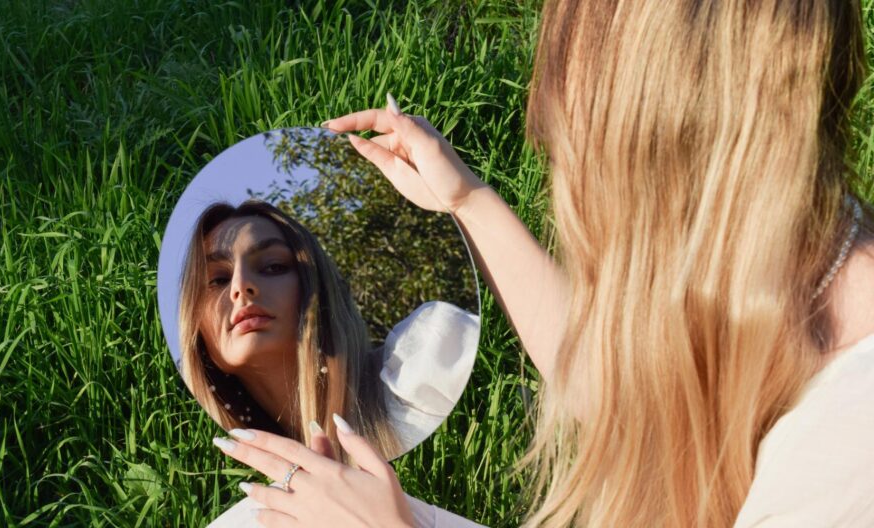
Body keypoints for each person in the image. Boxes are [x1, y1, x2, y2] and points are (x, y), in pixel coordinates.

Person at [210, 0, 874, 526]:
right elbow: (621, 385)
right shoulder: (792, 258)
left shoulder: (850, 449)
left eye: (580, 158)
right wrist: (467, 202)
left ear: (668, 167)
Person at [180, 200, 479, 470]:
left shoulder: (426, 364)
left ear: (316, 289)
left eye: (273, 266)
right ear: (196, 327)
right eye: (217, 279)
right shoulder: (220, 474)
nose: (241, 286)